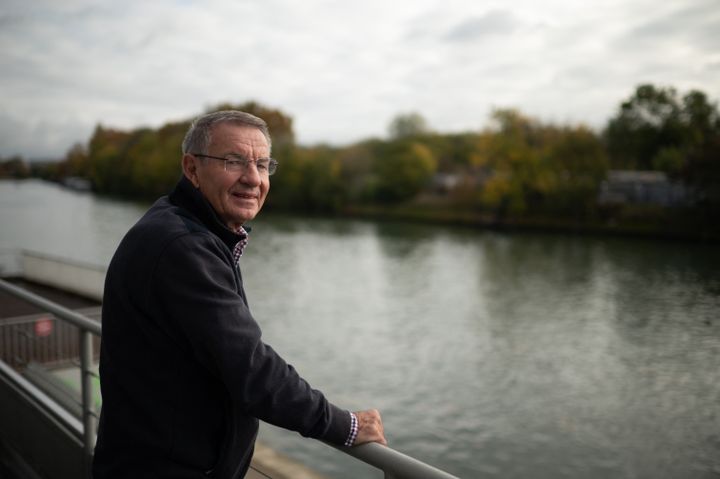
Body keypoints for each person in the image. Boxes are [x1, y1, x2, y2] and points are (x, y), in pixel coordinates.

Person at [92, 110, 386, 479]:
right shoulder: (182, 246)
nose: (252, 178)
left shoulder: (185, 226)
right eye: (234, 162)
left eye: (262, 165)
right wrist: (346, 426)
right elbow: (251, 368)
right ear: (192, 168)